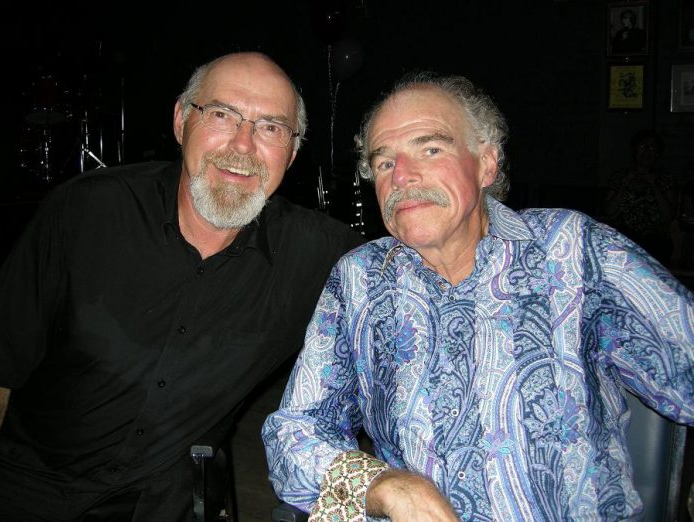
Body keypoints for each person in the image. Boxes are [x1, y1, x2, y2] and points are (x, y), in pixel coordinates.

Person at [262, 72, 694, 521]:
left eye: (431, 148)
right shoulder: (360, 280)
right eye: (385, 162)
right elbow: (295, 430)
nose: (403, 176)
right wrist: (381, 484)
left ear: (486, 164)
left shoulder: (572, 250)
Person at [0, 52, 363, 521]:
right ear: (179, 120)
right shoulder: (86, 213)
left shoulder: (319, 254)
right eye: (221, 114)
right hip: (26, 488)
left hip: (160, 504)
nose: (243, 145)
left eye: (271, 127)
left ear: (291, 154)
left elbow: (417, 273)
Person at [604, 129, 678, 265]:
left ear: (657, 153)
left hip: (655, 240)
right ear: (634, 150)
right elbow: (609, 212)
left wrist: (655, 186)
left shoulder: (665, 179)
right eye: (643, 146)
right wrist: (623, 186)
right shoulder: (620, 177)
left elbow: (669, 216)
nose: (647, 151)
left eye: (652, 147)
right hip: (625, 237)